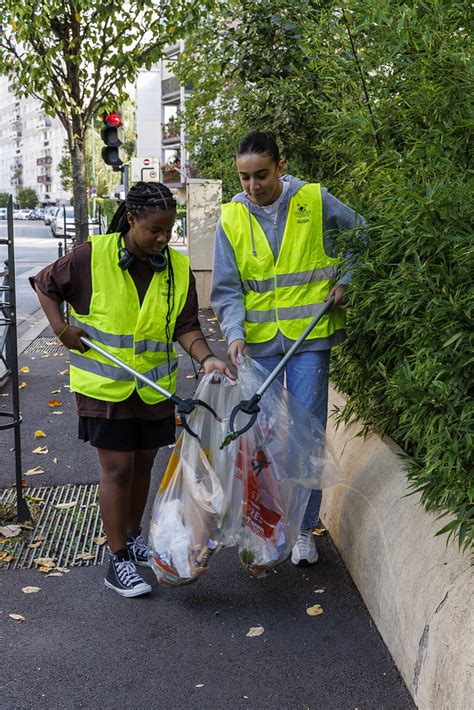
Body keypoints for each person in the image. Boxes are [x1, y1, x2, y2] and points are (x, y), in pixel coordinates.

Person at [32, 181, 233, 597]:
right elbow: (45, 283)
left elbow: (186, 326)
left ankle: (133, 535)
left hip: (155, 389)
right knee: (118, 468)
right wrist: (61, 328)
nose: (162, 239)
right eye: (154, 231)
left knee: (143, 464)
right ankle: (118, 558)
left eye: (167, 230)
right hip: (105, 387)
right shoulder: (94, 255)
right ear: (131, 219)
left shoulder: (176, 268)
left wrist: (207, 357)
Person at [211, 130, 365, 566]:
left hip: (309, 340)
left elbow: (362, 237)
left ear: (280, 167)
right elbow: (226, 289)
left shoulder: (314, 200)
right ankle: (269, 523)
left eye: (261, 175)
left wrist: (345, 282)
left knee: (306, 435)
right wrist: (234, 332)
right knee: (261, 438)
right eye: (244, 178)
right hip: (257, 346)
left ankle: (301, 529)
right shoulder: (231, 219)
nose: (253, 186)